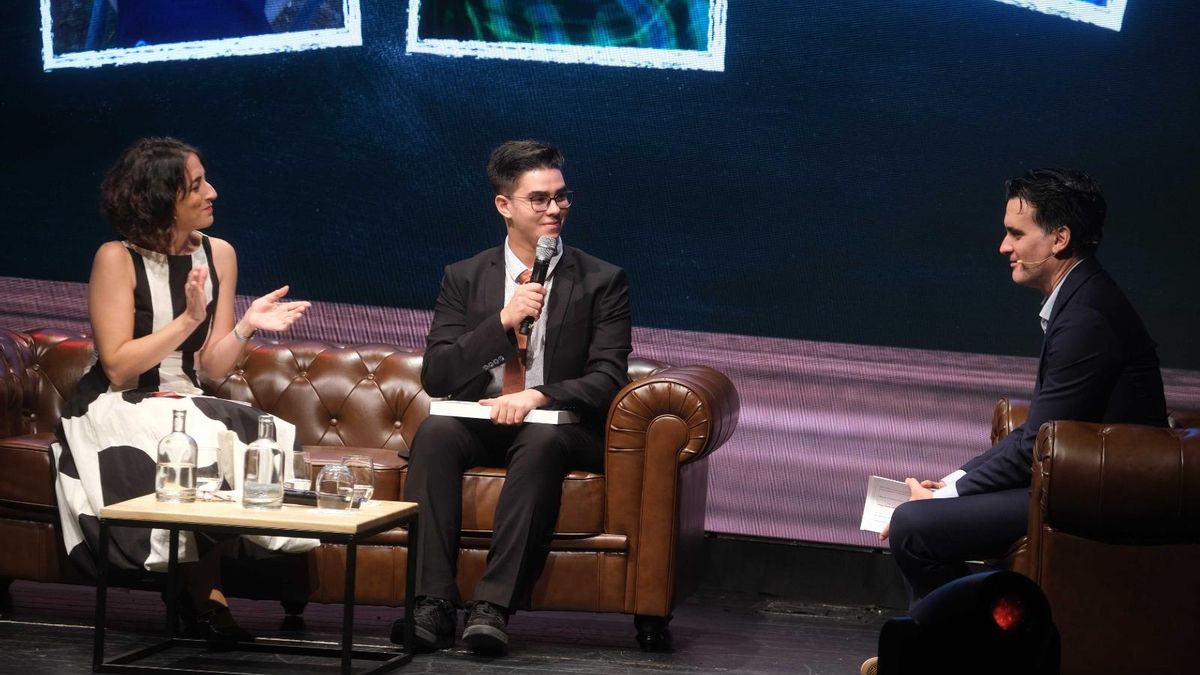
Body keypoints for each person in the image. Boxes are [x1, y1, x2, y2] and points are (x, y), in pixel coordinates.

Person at [861, 168, 1168, 675]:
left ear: (1059, 239)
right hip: (1074, 479)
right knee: (920, 519)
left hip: (1101, 495)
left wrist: (942, 499)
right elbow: (1037, 434)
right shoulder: (1080, 298)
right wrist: (953, 484)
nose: (1004, 247)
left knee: (914, 526)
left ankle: (952, 657)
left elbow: (1035, 446)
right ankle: (950, 653)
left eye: (1016, 234)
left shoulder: (1087, 316)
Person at [52, 137, 317, 644]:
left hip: (185, 397)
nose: (212, 192)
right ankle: (205, 600)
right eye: (196, 186)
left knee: (258, 431)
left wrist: (246, 327)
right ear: (161, 199)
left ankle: (194, 595)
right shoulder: (116, 258)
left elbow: (211, 364)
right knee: (193, 434)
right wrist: (188, 319)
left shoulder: (220, 254)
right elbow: (119, 367)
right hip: (115, 402)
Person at [392, 140, 632, 655]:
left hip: (561, 427)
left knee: (540, 444)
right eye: (539, 199)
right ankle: (431, 603)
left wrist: (538, 396)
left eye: (561, 197)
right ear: (504, 205)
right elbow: (438, 374)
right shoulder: (464, 276)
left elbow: (608, 377)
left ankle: (492, 607)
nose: (555, 209)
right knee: (435, 433)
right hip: (483, 418)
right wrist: (502, 321)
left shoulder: (602, 280)